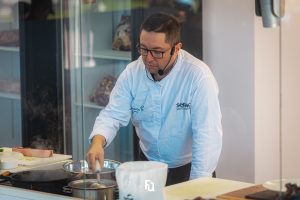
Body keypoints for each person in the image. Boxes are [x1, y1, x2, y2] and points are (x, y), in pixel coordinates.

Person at [86, 12, 222, 186]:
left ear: (177, 48)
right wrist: (98, 141)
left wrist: (198, 184)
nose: (148, 58)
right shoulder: (132, 73)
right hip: (148, 166)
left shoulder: (198, 77)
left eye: (157, 52)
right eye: (143, 49)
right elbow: (113, 114)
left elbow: (207, 135)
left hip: (188, 168)